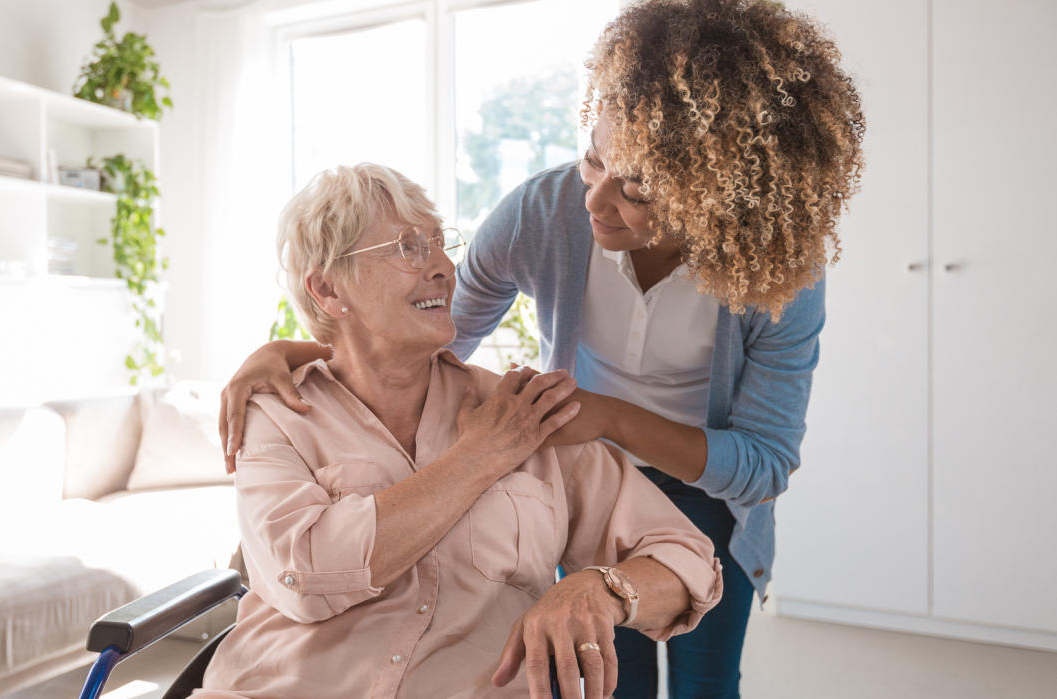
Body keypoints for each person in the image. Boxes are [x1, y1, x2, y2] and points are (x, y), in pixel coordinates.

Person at [218, 1, 864, 696]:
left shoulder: (776, 275)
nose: (596, 200)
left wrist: (608, 419)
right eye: (594, 156)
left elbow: (763, 463)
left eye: (637, 186)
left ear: (711, 198)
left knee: (706, 680)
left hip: (700, 487)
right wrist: (312, 343)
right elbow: (432, 332)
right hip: (578, 446)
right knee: (608, 681)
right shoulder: (546, 212)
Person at [195, 163, 722, 699]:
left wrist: (603, 589)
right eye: (407, 247)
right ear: (328, 290)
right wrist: (480, 456)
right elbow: (308, 575)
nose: (446, 268)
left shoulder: (523, 412)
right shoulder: (276, 412)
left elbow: (689, 560)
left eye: (439, 243)